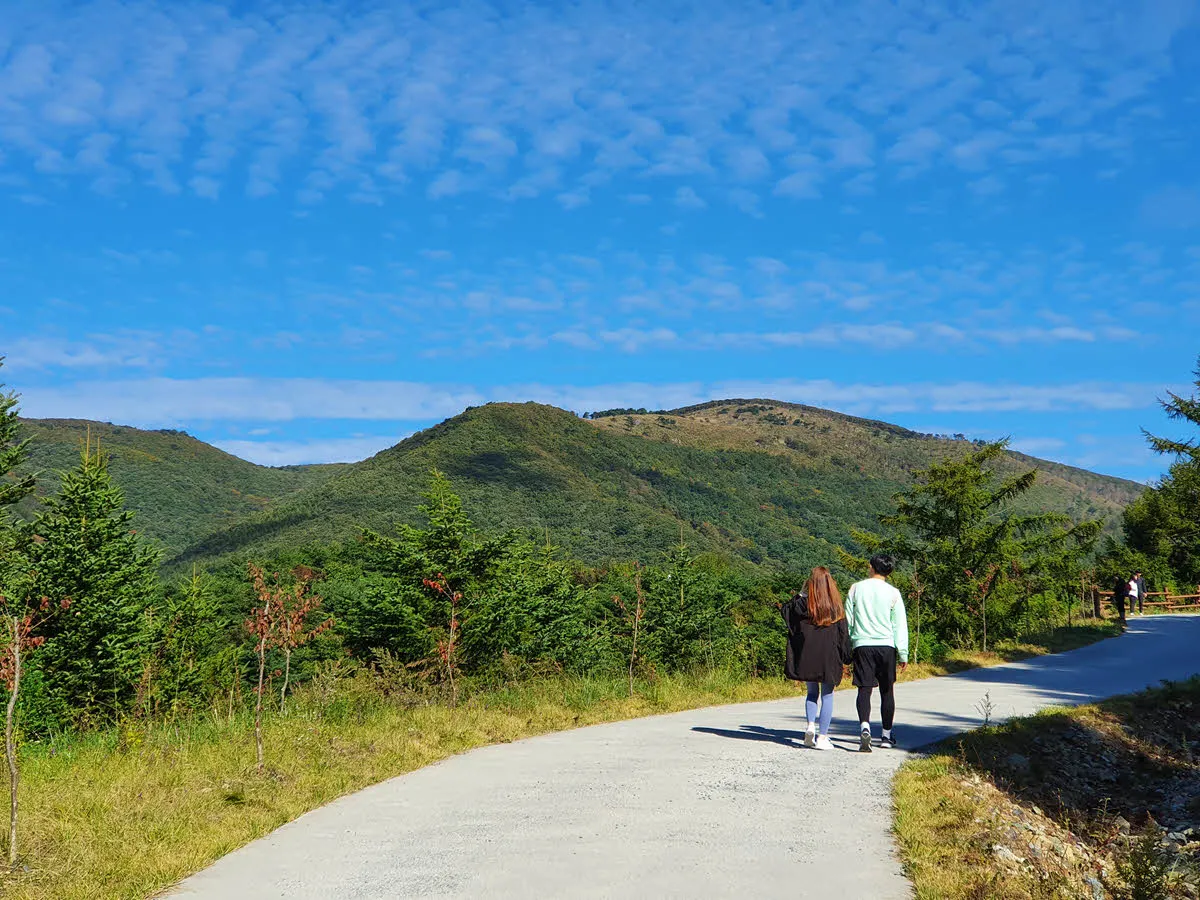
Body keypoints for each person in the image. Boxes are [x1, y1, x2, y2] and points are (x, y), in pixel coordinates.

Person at [781, 567, 851, 751]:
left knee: (812, 694)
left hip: (807, 655)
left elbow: (785, 612)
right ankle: (823, 737)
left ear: (810, 584)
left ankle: (810, 726)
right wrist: (847, 656)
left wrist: (800, 594)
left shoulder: (802, 605)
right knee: (827, 695)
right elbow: (843, 634)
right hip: (829, 657)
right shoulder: (835, 607)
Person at [845, 554, 908, 752]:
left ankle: (865, 727)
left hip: (862, 644)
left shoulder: (856, 588)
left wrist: (849, 644)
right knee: (887, 691)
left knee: (864, 689)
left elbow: (849, 620)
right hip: (886, 645)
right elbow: (899, 625)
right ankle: (886, 736)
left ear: (871, 567)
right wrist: (903, 653)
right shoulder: (894, 593)